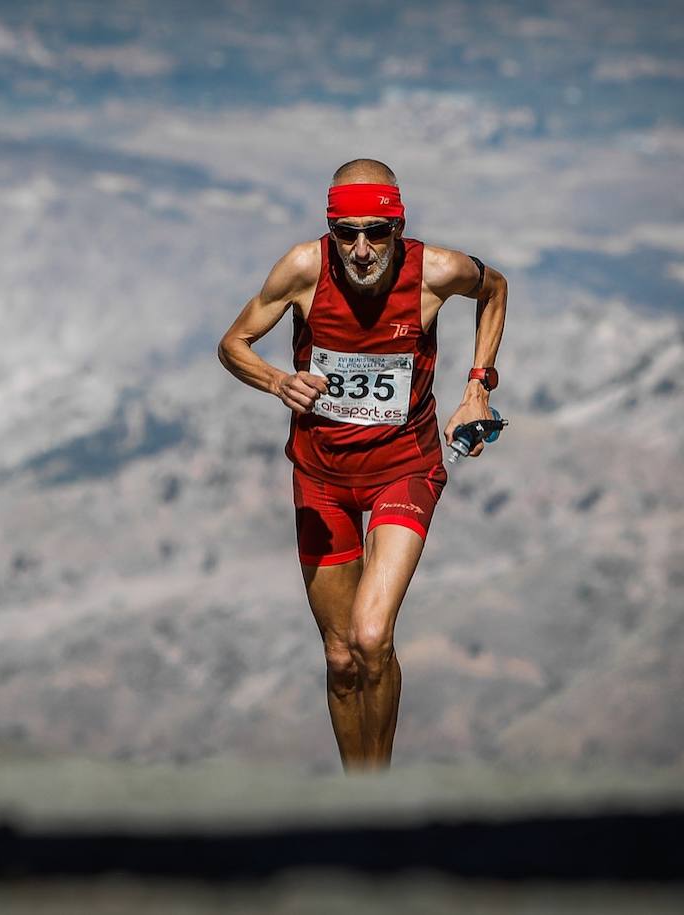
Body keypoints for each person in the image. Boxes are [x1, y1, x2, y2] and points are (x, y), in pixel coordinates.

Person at [217, 159, 508, 770]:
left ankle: (383, 798)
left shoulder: (437, 271)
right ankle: (358, 791)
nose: (361, 247)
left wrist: (478, 386)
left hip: (405, 469)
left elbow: (495, 289)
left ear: (398, 227)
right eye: (346, 232)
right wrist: (276, 382)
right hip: (320, 479)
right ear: (331, 229)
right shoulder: (303, 268)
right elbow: (233, 343)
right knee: (342, 657)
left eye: (376, 231)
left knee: (372, 635)